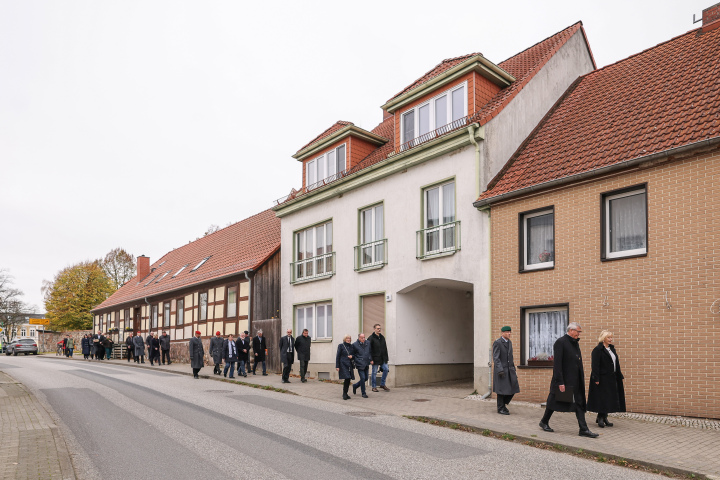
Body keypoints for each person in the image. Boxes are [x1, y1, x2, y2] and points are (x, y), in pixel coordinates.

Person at [539, 322, 599, 438]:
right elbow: (557, 364)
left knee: (580, 403)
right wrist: (560, 381)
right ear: (571, 330)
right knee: (554, 401)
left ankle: (583, 429)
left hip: (576, 381)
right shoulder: (561, 342)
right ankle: (544, 421)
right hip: (564, 381)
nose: (579, 333)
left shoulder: (575, 343)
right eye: (578, 331)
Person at [587, 330, 626, 428]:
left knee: (609, 398)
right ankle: (600, 418)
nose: (611, 339)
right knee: (602, 398)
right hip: (602, 378)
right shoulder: (597, 350)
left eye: (611, 337)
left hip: (612, 378)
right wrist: (596, 378)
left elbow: (616, 363)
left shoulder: (612, 349)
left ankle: (604, 417)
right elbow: (595, 365)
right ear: (603, 338)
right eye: (608, 337)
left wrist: (619, 375)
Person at [493, 326, 520, 415]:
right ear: (502, 333)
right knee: (501, 390)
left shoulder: (510, 342)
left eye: (510, 332)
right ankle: (500, 408)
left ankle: (503, 405)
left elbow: (510, 357)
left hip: (510, 370)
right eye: (507, 332)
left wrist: (513, 369)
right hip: (501, 370)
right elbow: (496, 358)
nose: (509, 333)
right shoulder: (497, 343)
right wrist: (500, 370)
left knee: (514, 387)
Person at [369, 324, 389, 392]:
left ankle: (382, 384)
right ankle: (374, 387)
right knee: (374, 372)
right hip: (375, 358)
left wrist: (386, 358)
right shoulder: (371, 338)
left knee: (386, 369)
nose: (379, 330)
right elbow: (369, 350)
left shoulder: (382, 337)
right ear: (374, 329)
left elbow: (385, 348)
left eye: (380, 328)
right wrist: (371, 359)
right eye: (377, 328)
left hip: (383, 358)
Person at [336, 334, 355, 400]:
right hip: (343, 364)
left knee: (348, 379)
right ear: (344, 339)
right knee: (347, 378)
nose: (348, 339)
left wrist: (352, 356)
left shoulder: (351, 346)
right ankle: (344, 394)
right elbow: (338, 356)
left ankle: (345, 393)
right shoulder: (341, 346)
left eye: (349, 338)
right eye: (347, 338)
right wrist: (337, 366)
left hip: (349, 365)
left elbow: (354, 355)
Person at [352, 333, 370, 398]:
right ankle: (363, 393)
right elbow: (353, 355)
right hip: (359, 364)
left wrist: (370, 359)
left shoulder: (368, 343)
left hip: (366, 363)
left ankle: (355, 386)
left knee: (366, 378)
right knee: (362, 378)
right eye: (362, 338)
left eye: (364, 337)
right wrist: (357, 361)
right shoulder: (354, 345)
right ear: (359, 338)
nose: (363, 339)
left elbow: (370, 352)